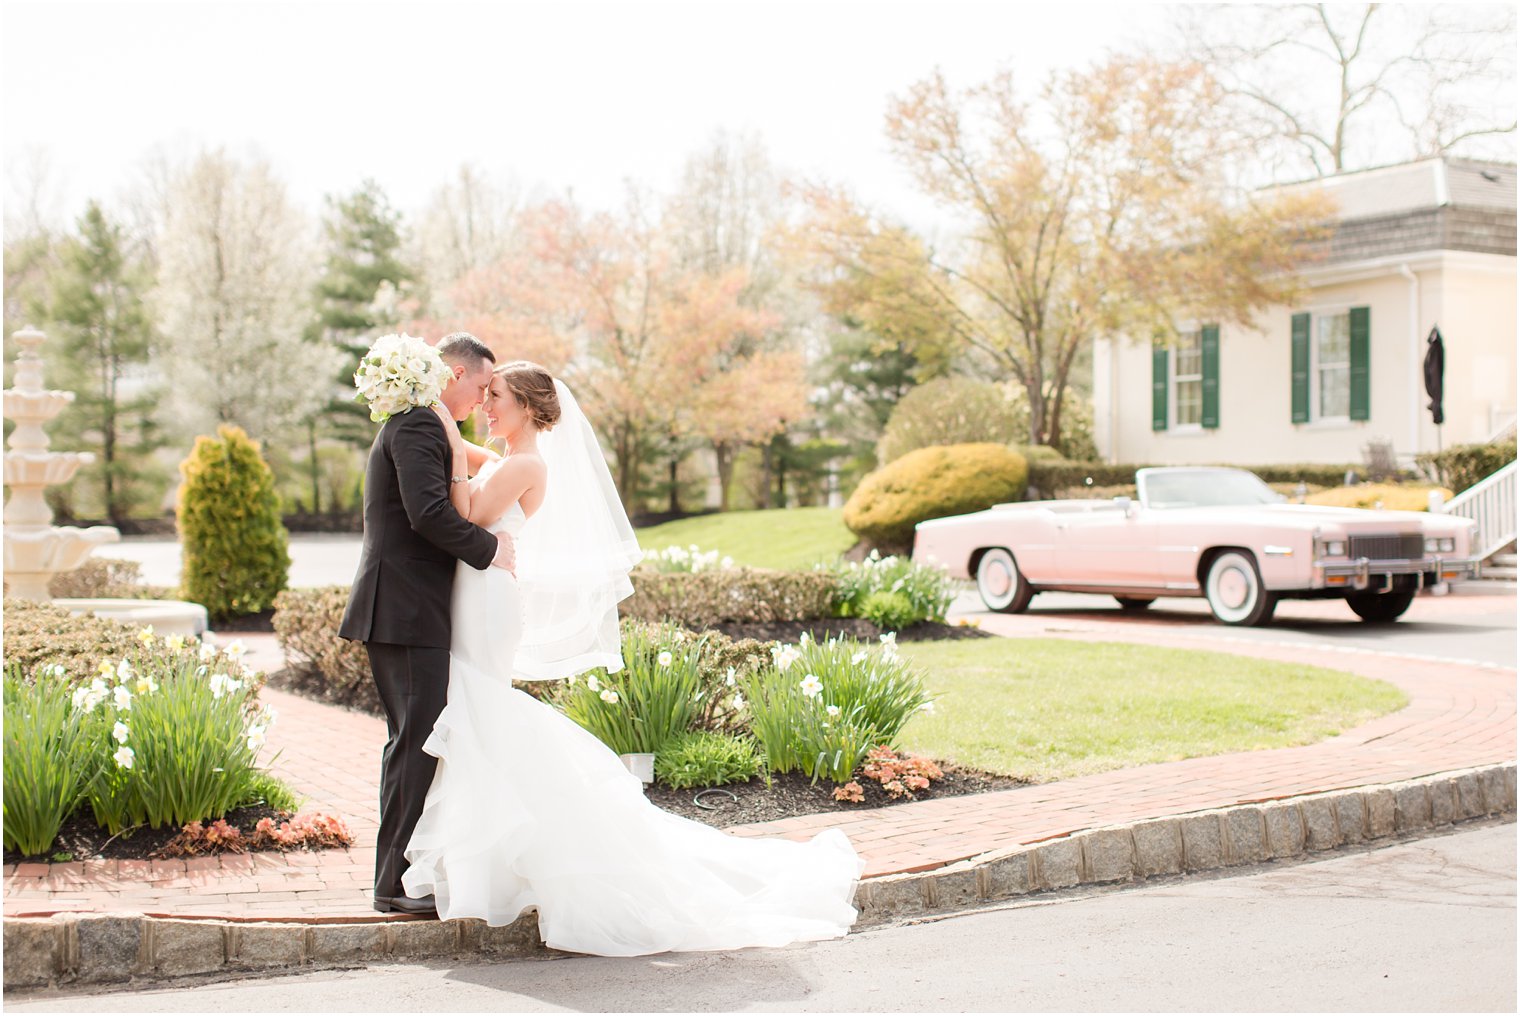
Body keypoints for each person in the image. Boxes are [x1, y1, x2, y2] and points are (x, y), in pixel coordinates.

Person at [401, 361, 864, 956]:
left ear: (530, 410)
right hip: (478, 593)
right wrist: (445, 427)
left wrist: (442, 432)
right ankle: (497, 857)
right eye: (486, 395)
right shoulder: (513, 459)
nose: (486, 405)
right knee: (477, 711)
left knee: (480, 706)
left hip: (486, 601)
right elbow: (471, 463)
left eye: (497, 397)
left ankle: (518, 850)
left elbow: (465, 515)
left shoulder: (522, 463)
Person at [338, 332, 515, 916]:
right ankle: (390, 884)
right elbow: (428, 515)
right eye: (481, 386)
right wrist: (491, 550)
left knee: (414, 742)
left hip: (405, 608)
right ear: (454, 374)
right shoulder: (415, 426)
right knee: (414, 743)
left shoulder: (425, 425)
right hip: (406, 608)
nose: (481, 399)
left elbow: (461, 473)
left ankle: (402, 876)